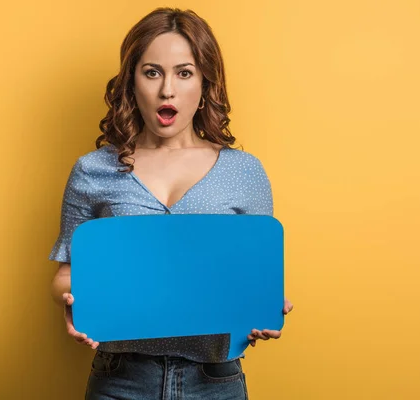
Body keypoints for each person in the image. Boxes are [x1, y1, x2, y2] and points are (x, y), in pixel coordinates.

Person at [49, 7, 293, 399]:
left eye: (184, 72)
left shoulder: (244, 171)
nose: (167, 90)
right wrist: (73, 304)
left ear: (204, 84)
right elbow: (67, 271)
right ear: (131, 83)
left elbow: (255, 273)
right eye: (152, 72)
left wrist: (265, 306)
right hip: (120, 378)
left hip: (215, 380)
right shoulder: (92, 170)